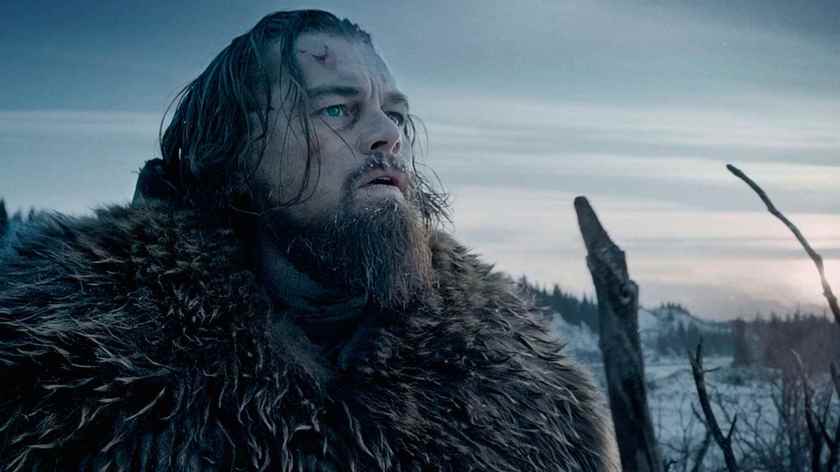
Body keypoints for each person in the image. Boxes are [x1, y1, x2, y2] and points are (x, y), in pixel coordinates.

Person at [0, 10, 619, 471]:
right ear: (233, 151)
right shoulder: (57, 374)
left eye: (395, 114)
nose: (387, 135)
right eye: (336, 110)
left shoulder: (528, 395)